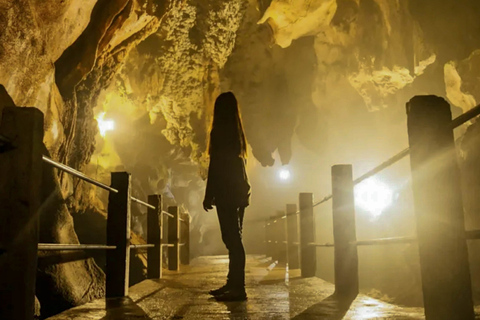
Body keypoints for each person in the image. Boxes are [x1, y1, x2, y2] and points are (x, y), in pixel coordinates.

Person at [203, 91, 251, 302]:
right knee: (234, 238)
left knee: (232, 239)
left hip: (226, 191)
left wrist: (209, 194)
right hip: (238, 190)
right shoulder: (236, 133)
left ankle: (238, 287)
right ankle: (233, 284)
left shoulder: (219, 133)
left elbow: (216, 166)